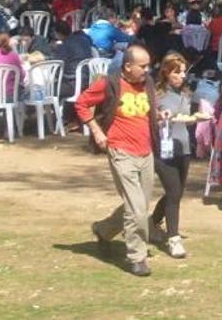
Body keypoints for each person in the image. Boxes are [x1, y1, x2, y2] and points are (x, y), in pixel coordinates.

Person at [77, 45, 158, 276]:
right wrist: (96, 130)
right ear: (128, 66)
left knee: (138, 205)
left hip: (146, 152)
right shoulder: (109, 83)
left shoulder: (147, 84)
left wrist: (159, 116)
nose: (147, 70)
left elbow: (147, 111)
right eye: (142, 66)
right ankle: (137, 256)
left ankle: (103, 229)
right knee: (137, 209)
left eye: (148, 65)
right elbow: (81, 103)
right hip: (121, 151)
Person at [150, 53, 197, 259]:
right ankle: (173, 239)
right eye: (177, 72)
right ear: (166, 73)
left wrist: (196, 118)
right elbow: (151, 120)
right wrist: (161, 118)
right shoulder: (157, 94)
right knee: (174, 191)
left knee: (176, 192)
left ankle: (152, 223)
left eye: (184, 71)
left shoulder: (185, 94)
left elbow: (186, 119)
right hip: (163, 148)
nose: (182, 76)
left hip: (183, 146)